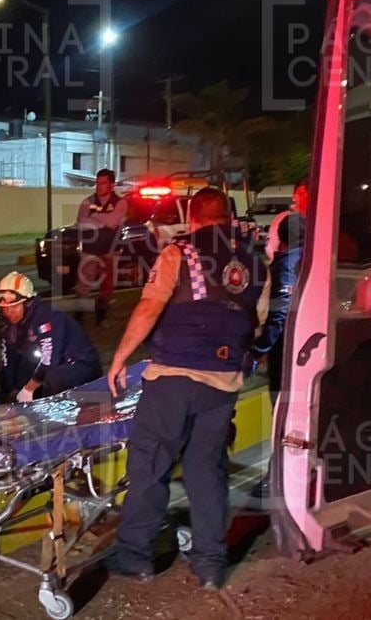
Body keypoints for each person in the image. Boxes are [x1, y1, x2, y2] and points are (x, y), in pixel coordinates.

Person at [105, 188, 269, 588]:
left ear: (192, 218)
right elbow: (258, 324)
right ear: (228, 218)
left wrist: (120, 357)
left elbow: (149, 307)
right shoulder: (256, 264)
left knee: (150, 465)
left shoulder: (179, 253)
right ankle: (210, 564)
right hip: (222, 384)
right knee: (206, 469)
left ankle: (136, 557)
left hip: (173, 378)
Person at [249, 178, 307, 498]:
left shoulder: (286, 266)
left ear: (281, 240)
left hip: (286, 349)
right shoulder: (309, 261)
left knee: (282, 410)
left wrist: (259, 348)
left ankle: (279, 478)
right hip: (305, 346)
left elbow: (279, 314)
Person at [0, 271, 102, 402]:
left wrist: (28, 389)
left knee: (55, 376)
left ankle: (65, 405)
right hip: (53, 364)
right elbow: (9, 359)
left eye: (14, 307)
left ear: (27, 303)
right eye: (5, 308)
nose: (9, 312)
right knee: (22, 371)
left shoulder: (47, 316)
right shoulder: (11, 326)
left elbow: (50, 358)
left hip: (81, 364)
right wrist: (7, 392)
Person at [74, 168, 128, 325]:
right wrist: (105, 221)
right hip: (90, 250)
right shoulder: (87, 202)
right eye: (97, 183)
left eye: (103, 183)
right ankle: (79, 317)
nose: (99, 186)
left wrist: (95, 215)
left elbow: (113, 222)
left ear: (112, 185)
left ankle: (101, 315)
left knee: (108, 285)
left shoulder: (120, 202)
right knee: (83, 284)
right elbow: (82, 223)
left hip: (111, 251)